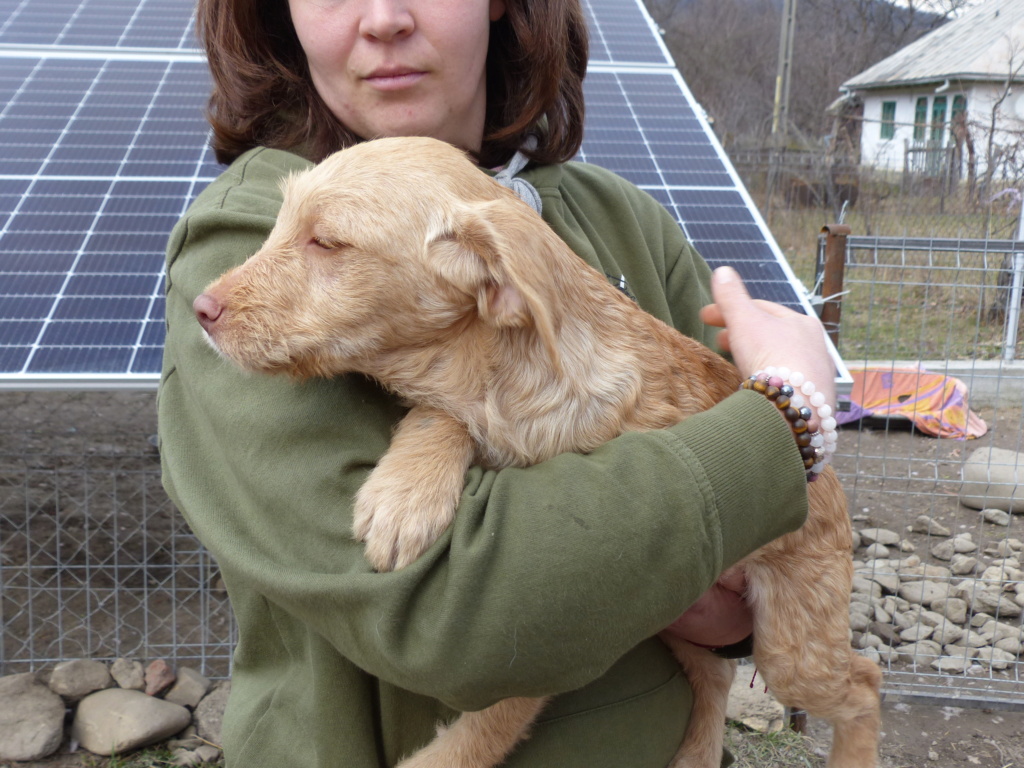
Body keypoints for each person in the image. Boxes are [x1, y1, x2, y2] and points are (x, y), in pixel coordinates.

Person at [157, 0, 837, 766]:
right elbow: (463, 614)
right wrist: (783, 423)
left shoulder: (620, 221)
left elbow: (774, 538)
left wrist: (736, 612)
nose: (382, 18)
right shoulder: (242, 251)